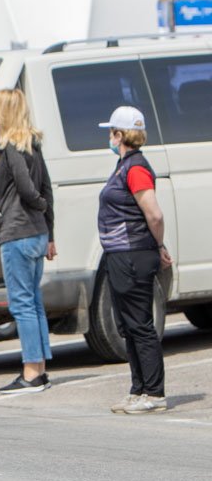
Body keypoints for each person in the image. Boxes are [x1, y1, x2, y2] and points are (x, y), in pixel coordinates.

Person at [98, 106, 172, 414]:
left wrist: (158, 244)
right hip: (120, 254)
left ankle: (154, 393)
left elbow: (154, 214)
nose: (109, 137)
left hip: (133, 254)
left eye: (111, 132)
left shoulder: (136, 168)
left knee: (140, 325)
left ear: (120, 135)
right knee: (127, 325)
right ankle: (138, 389)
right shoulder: (124, 165)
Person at [0, 88, 56, 394]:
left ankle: (30, 373)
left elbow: (28, 188)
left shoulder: (12, 148)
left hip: (17, 233)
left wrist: (37, 204)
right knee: (34, 303)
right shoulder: (34, 145)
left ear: (4, 112)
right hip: (37, 234)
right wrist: (50, 232)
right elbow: (47, 188)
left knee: (22, 305)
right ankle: (40, 369)